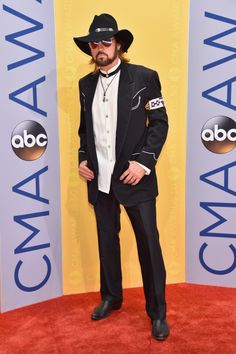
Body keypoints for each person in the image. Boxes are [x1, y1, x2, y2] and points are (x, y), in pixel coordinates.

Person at [73, 13, 169, 341]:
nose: (99, 48)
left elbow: (159, 123)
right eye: (94, 43)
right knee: (106, 242)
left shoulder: (144, 77)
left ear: (119, 45)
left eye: (105, 41)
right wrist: (83, 158)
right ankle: (111, 297)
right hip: (100, 181)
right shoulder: (85, 85)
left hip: (135, 179)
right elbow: (86, 131)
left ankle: (157, 312)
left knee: (149, 245)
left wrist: (143, 163)